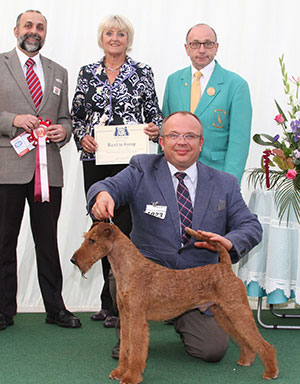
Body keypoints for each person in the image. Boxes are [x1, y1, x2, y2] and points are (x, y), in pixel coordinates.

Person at [87, 111, 262, 361]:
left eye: (190, 136)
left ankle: (181, 317)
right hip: (147, 275)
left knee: (212, 350)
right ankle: (127, 335)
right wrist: (102, 195)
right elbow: (108, 186)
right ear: (161, 141)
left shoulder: (225, 182)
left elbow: (251, 225)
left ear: (201, 143)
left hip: (196, 283)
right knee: (123, 272)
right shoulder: (141, 168)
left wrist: (230, 241)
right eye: (174, 135)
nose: (182, 142)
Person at [71, 14, 163, 327]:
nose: (115, 38)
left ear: (128, 39)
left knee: (124, 228)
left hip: (130, 163)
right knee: (101, 227)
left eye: (120, 34)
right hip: (95, 161)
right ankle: (107, 302)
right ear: (102, 38)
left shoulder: (142, 72)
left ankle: (121, 300)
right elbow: (77, 117)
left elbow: (155, 114)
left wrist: (155, 128)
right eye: (109, 33)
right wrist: (82, 135)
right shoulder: (87, 72)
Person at [0, 10, 81, 330]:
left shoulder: (58, 71)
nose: (34, 31)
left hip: (49, 172)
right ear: (16, 29)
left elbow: (66, 118)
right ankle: (4, 310)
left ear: (45, 33)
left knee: (47, 242)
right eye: (29, 26)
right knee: (4, 242)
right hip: (8, 169)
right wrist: (13, 121)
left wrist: (65, 131)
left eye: (40, 27)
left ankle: (55, 308)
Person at [162, 24, 252, 184]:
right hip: (175, 175)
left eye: (208, 44)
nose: (201, 50)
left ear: (216, 47)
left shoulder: (236, 85)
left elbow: (239, 143)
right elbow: (165, 132)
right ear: (186, 48)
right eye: (195, 44)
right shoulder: (173, 81)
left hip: (216, 173)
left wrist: (230, 183)